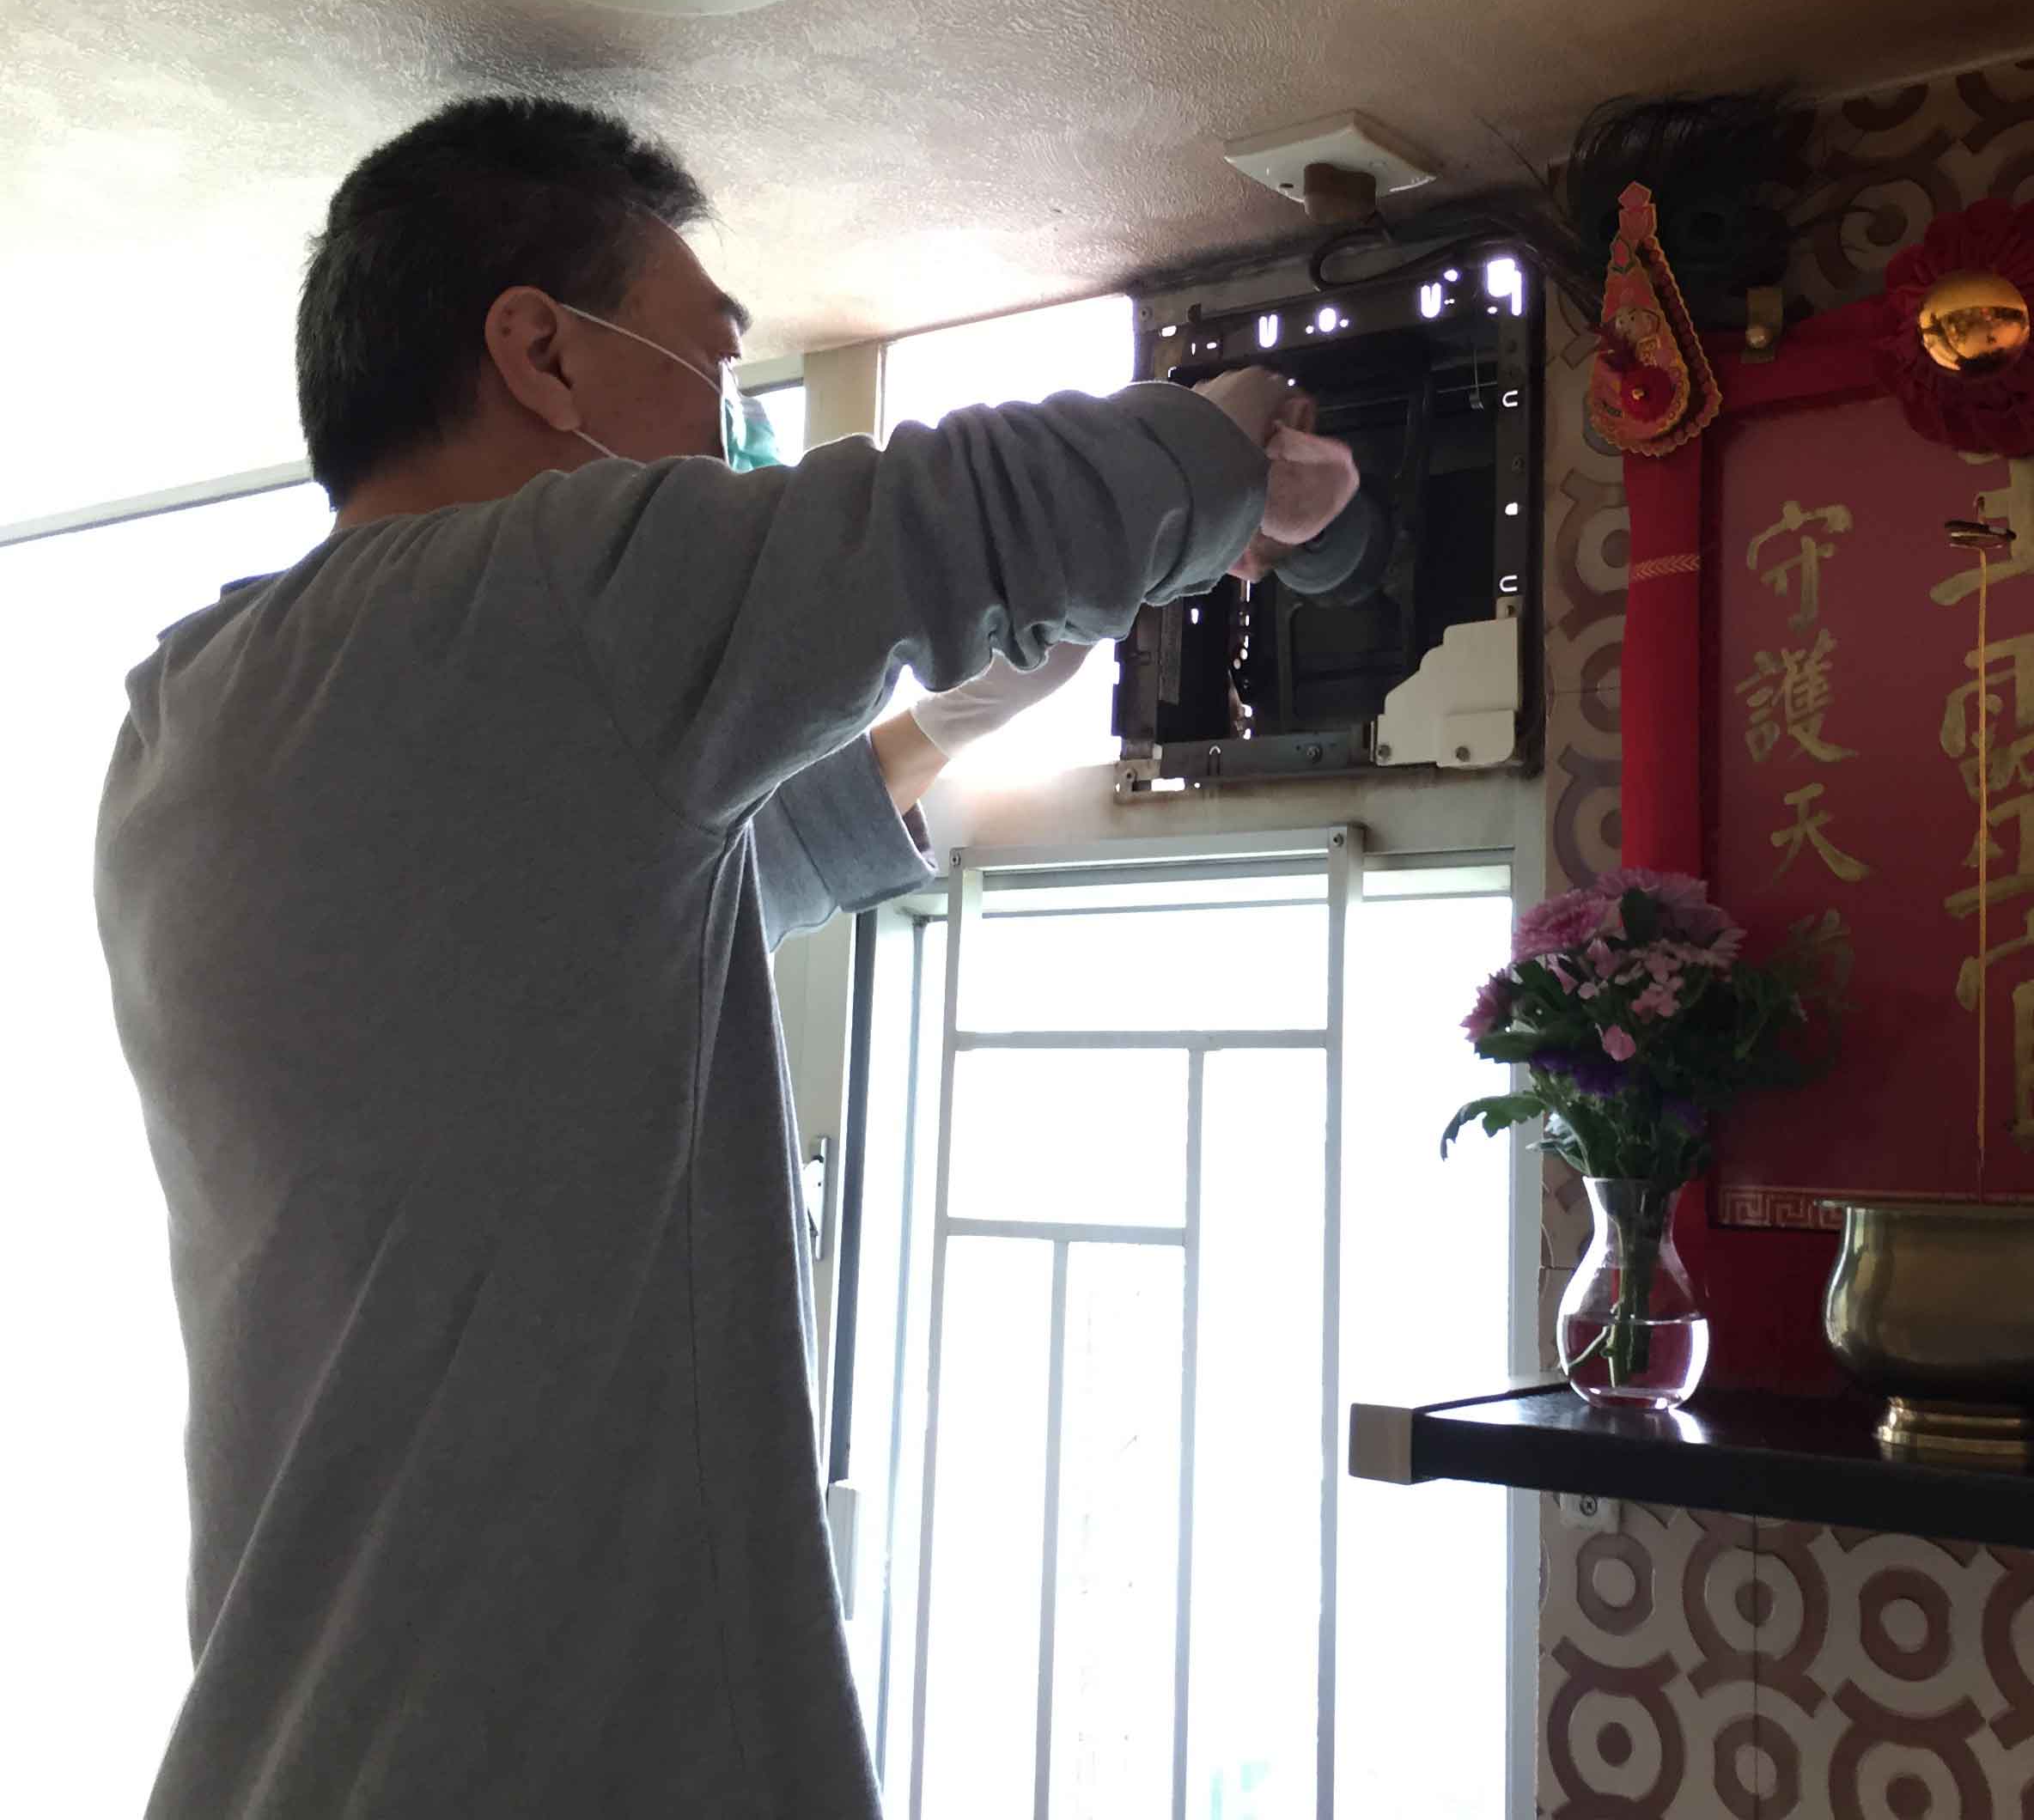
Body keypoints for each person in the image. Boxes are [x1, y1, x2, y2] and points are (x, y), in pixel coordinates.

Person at [93, 95, 1364, 1818]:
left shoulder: (190, 712)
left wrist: (945, 728)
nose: (730, 430)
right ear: (540, 353)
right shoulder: (556, 582)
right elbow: (974, 510)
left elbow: (622, 901)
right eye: (710, 361)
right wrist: (1236, 455)